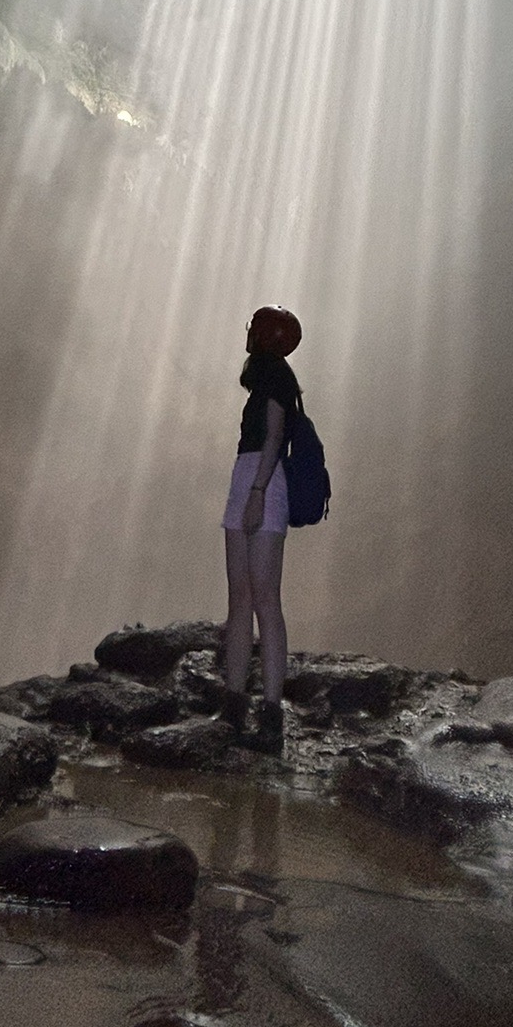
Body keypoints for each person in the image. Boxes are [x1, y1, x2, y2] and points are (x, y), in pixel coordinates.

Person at [220, 304, 302, 754]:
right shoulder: (266, 376)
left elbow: (273, 437)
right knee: (240, 598)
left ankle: (271, 717)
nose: (247, 333)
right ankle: (232, 706)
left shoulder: (276, 376)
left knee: (265, 600)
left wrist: (256, 492)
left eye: (253, 328)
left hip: (262, 484)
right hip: (248, 478)